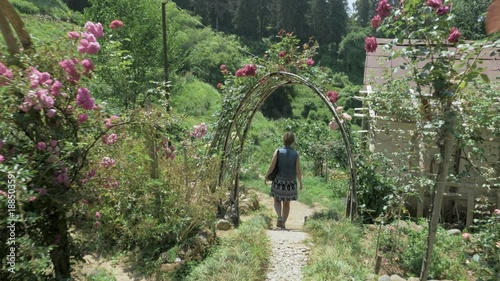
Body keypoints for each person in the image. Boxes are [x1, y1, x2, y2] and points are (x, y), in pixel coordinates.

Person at [264, 132, 303, 229]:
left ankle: (279, 216)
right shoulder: (296, 154)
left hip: (278, 181)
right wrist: (300, 183)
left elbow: (272, 166)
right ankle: (284, 223)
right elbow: (298, 170)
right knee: (287, 203)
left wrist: (266, 176)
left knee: (277, 200)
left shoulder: (278, 151)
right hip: (290, 183)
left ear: (283, 140)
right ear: (293, 142)